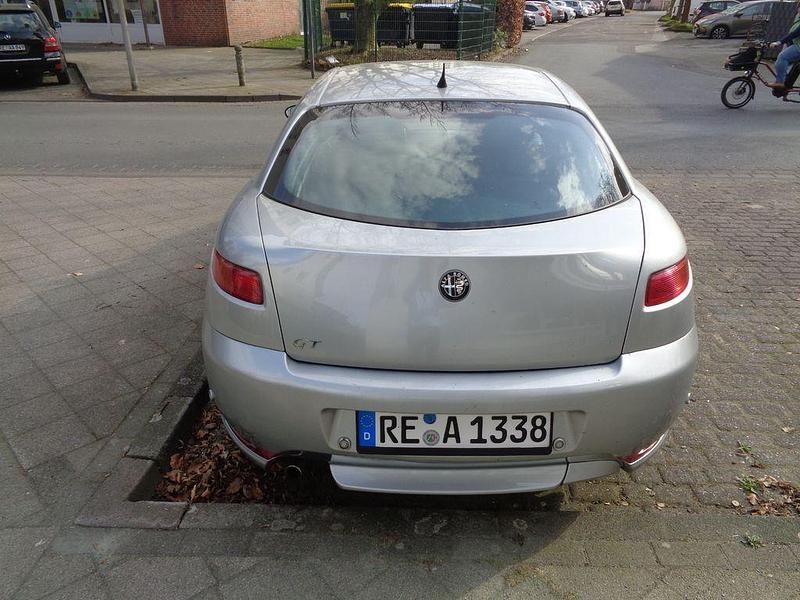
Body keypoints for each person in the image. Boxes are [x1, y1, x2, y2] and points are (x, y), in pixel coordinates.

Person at [768, 4, 800, 91]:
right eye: (799, 7)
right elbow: (792, 32)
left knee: (783, 57)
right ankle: (786, 85)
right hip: (795, 44)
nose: (799, 10)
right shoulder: (798, 16)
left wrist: (780, 42)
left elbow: (795, 33)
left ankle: (781, 83)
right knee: (780, 63)